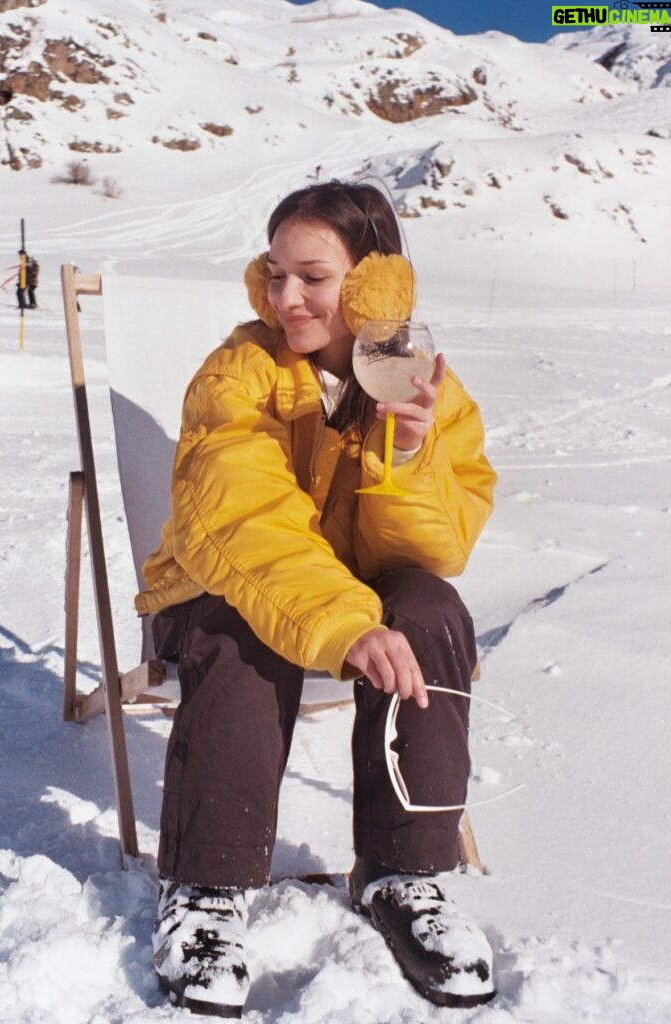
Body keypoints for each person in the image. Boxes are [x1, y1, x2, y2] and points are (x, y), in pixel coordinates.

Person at [135, 180, 498, 1017]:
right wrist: (342, 623)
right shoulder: (239, 372)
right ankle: (204, 889)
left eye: (312, 278)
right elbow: (244, 519)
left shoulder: (419, 383)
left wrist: (406, 452)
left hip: (344, 589)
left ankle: (404, 874)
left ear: (377, 288)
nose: (284, 297)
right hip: (215, 588)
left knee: (432, 607)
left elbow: (436, 549)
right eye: (273, 274)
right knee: (245, 630)